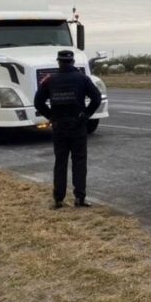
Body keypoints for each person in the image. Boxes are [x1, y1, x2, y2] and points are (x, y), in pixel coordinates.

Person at [34, 50, 102, 209]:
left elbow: (38, 102)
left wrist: (51, 116)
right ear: (72, 62)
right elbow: (96, 98)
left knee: (60, 163)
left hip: (59, 127)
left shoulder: (50, 80)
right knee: (79, 162)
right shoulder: (82, 79)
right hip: (78, 126)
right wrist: (86, 115)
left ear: (58, 62)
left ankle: (58, 199)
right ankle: (80, 198)